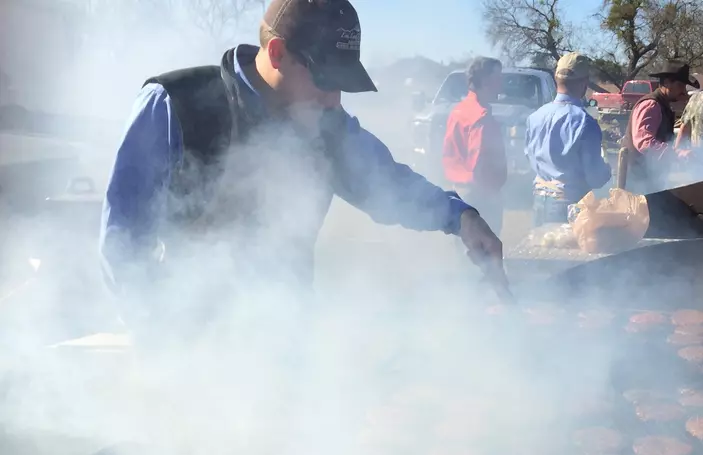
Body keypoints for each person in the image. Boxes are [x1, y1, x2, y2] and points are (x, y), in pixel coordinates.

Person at [99, 0, 506, 347]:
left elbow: (389, 183)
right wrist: (157, 337)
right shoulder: (175, 105)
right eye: (325, 80)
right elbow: (124, 240)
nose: (335, 99)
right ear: (277, 53)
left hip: (286, 349)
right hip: (193, 349)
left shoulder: (328, 124)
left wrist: (461, 216)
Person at [524, 53, 611, 226]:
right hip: (568, 203)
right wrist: (607, 171)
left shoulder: (534, 117)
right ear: (583, 83)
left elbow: (529, 156)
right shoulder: (585, 122)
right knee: (567, 252)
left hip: (539, 199)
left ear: (556, 80)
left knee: (539, 250)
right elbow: (594, 177)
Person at [441, 57, 507, 235]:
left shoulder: (458, 110)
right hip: (480, 195)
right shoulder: (480, 116)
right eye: (498, 78)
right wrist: (490, 192)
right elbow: (478, 160)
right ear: (485, 81)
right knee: (484, 253)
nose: (501, 84)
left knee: (465, 252)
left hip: (461, 191)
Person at [622, 61, 700, 193]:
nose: (683, 90)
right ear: (667, 83)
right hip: (637, 180)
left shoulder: (662, 104)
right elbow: (644, 143)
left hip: (648, 179)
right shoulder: (652, 105)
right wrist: (677, 154)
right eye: (680, 85)